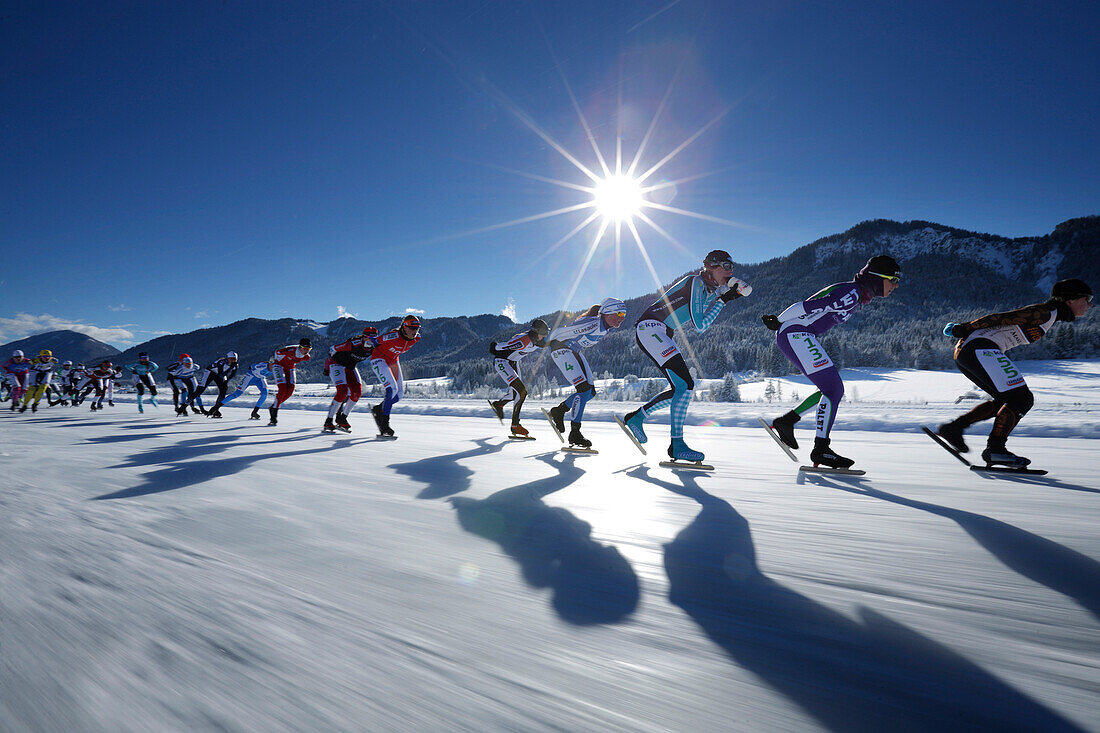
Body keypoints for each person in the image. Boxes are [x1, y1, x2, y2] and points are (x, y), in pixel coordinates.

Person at [761, 255, 901, 469]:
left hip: (798, 334)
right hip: (796, 333)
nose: (895, 285)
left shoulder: (854, 294)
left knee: (830, 390)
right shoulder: (851, 293)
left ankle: (788, 421)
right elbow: (806, 306)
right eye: (893, 279)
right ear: (877, 277)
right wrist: (779, 320)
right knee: (834, 389)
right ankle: (821, 449)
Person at [935, 278, 1093, 468]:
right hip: (978, 348)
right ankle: (995, 449)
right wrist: (965, 327)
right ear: (1070, 300)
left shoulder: (1050, 314)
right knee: (1022, 399)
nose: (1090, 304)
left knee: (1006, 401)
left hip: (969, 351)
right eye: (1087, 298)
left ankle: (954, 429)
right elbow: (1001, 317)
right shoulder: (1044, 313)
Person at [620, 250, 752, 462]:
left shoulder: (707, 288)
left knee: (682, 388)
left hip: (660, 331)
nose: (731, 271)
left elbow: (713, 300)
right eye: (727, 266)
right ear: (712, 267)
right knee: (684, 386)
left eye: (732, 267)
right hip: (651, 329)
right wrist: (723, 300)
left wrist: (727, 293)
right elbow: (700, 325)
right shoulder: (695, 283)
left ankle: (637, 418)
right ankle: (677, 445)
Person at [544, 298, 628, 448]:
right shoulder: (592, 323)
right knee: (583, 390)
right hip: (561, 349)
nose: (622, 318)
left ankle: (559, 411)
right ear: (607, 312)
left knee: (590, 393)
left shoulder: (605, 327)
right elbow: (560, 332)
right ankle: (575, 433)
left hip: (573, 351)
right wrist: (543, 342)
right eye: (619, 313)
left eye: (624, 315)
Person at [488, 319, 550, 437]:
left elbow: (548, 343)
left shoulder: (538, 340)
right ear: (535, 331)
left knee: (514, 394)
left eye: (546, 332)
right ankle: (515, 425)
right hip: (502, 362)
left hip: (513, 363)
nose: (545, 335)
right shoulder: (524, 340)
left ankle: (499, 405)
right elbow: (505, 345)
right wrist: (494, 347)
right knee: (522, 392)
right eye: (543, 332)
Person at [368, 316, 422, 437]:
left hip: (393, 360)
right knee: (391, 389)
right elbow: (374, 341)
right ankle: (384, 425)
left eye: (417, 328)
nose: (415, 332)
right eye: (412, 328)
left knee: (399, 394)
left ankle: (379, 409)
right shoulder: (393, 336)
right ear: (404, 327)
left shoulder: (416, 338)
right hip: (379, 359)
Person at [323, 327, 378, 432]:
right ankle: (329, 420)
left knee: (357, 392)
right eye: (368, 337)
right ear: (363, 337)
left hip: (350, 367)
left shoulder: (375, 346)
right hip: (336, 364)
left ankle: (342, 418)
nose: (370, 340)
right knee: (342, 392)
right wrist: (326, 367)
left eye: (373, 337)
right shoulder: (353, 344)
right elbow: (332, 348)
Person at [268, 338, 312, 426]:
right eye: (305, 348)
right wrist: (272, 362)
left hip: (290, 367)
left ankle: (273, 406)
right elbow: (277, 352)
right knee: (282, 389)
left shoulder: (306, 357)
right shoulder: (290, 350)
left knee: (290, 390)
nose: (306, 351)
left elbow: (294, 360)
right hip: (278, 365)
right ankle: (274, 414)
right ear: (300, 347)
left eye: (309, 349)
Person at [193, 352, 239, 418]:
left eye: (235, 359)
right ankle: (185, 405)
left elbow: (232, 375)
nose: (233, 361)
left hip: (220, 374)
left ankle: (216, 410)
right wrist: (230, 368)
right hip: (211, 372)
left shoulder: (235, 365)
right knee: (200, 390)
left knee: (224, 390)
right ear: (227, 358)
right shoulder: (222, 362)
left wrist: (227, 381)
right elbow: (221, 374)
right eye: (231, 359)